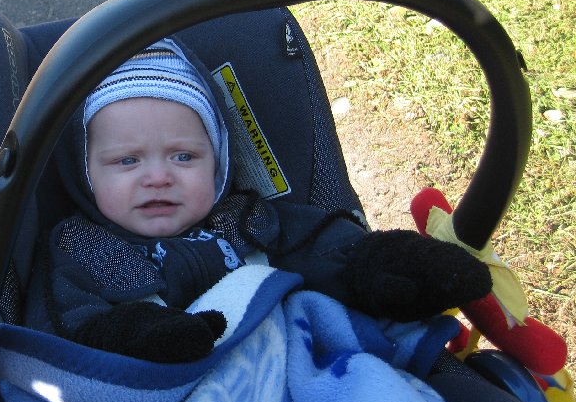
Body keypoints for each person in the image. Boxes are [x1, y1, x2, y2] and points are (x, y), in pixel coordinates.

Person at [24, 36, 494, 363]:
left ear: (219, 163)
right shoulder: (81, 249)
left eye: (184, 156)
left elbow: (329, 250)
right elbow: (66, 328)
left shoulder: (246, 220)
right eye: (127, 161)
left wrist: (386, 263)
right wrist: (138, 338)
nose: (159, 177)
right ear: (85, 174)